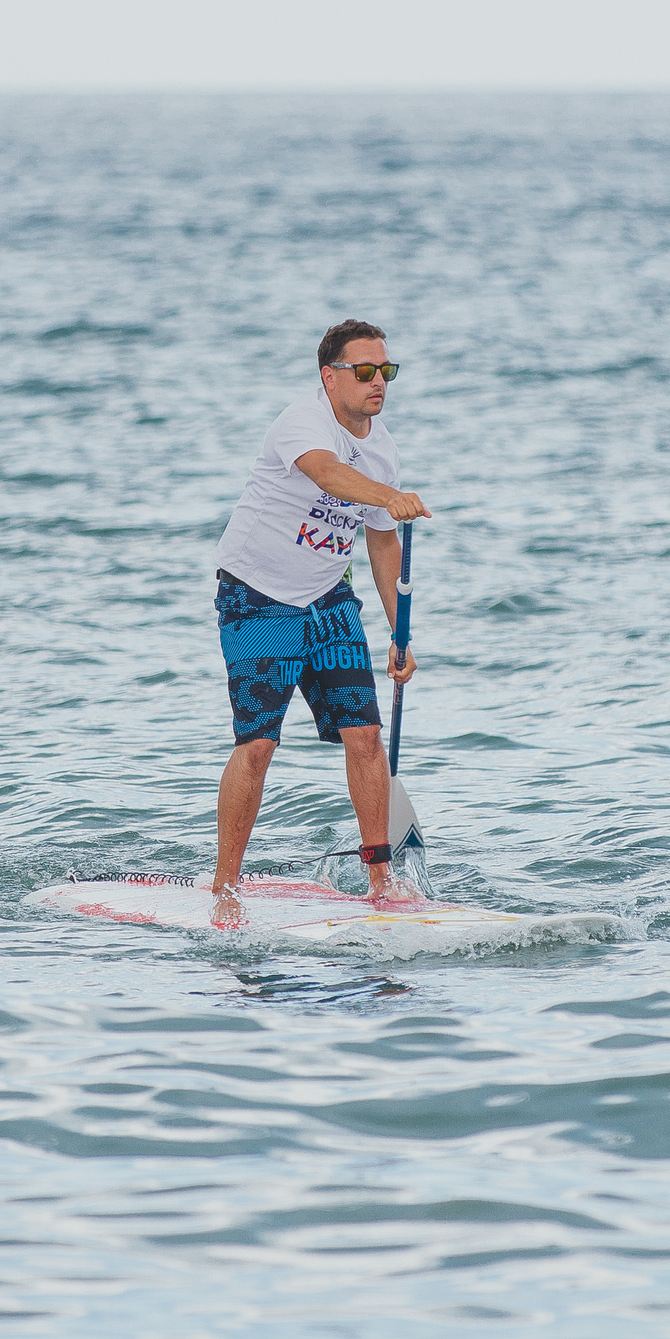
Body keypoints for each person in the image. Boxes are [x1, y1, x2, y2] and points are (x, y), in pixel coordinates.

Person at [207, 319, 431, 925]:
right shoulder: (302, 422)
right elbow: (327, 474)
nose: (377, 382)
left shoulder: (383, 449)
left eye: (386, 371)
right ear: (329, 377)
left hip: (329, 599)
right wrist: (386, 496)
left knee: (365, 737)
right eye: (364, 372)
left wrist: (399, 634)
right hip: (259, 599)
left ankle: (380, 880)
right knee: (258, 744)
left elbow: (384, 546)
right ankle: (225, 889)